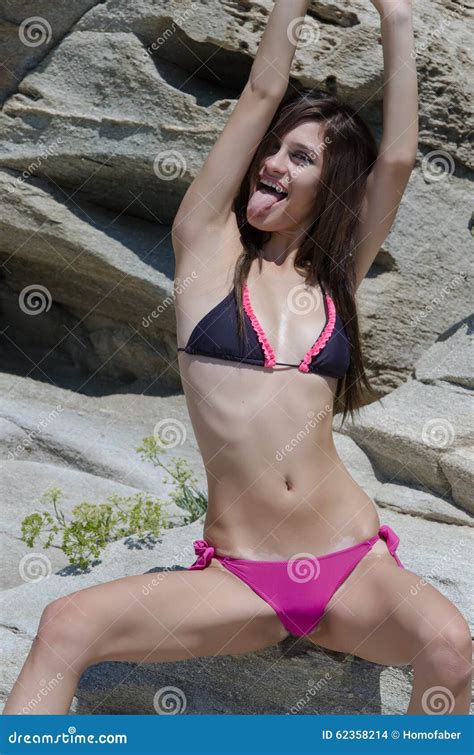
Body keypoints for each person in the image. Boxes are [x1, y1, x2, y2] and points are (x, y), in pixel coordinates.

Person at [4, 0, 471, 716]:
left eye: (301, 157)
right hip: (242, 578)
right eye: (274, 149)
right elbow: (261, 91)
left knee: (450, 645)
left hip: (353, 564)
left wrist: (397, 16)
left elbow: (401, 158)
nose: (274, 162)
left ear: (330, 187)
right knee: (66, 624)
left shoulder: (336, 280)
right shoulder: (206, 249)